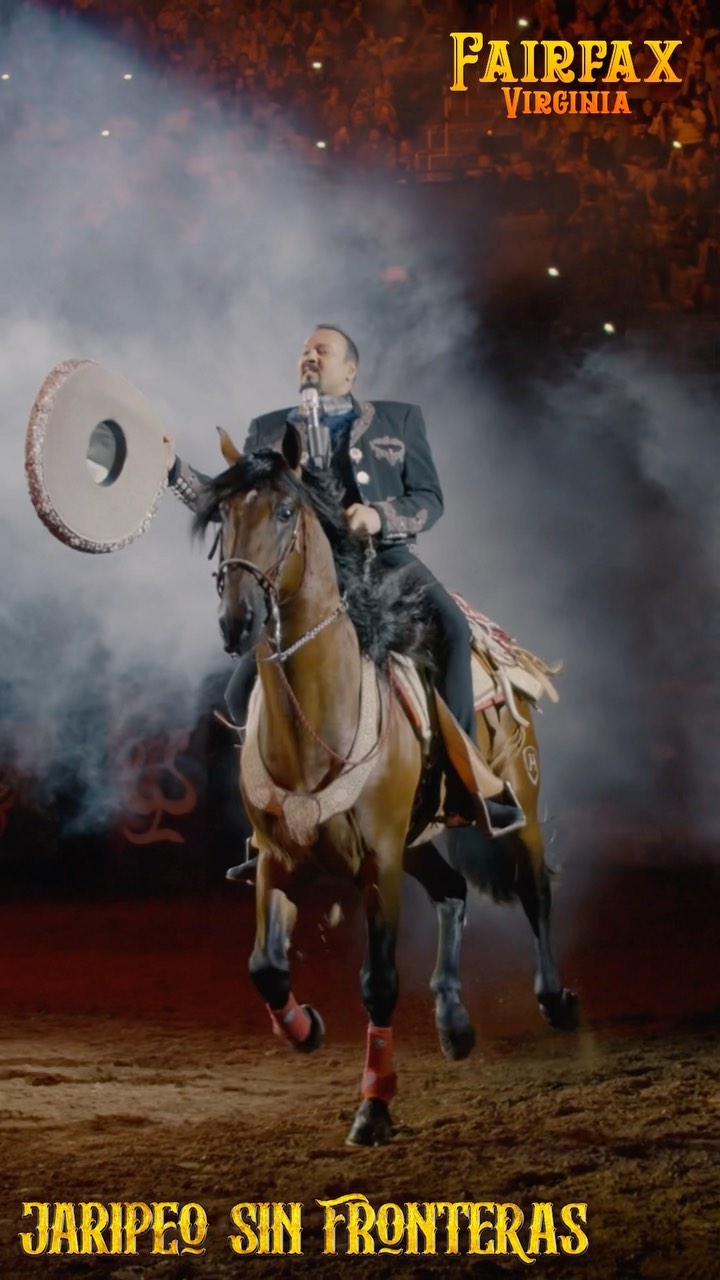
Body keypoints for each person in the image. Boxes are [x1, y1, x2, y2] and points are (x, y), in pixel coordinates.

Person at [166, 325, 523, 876]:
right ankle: (268, 826)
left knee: (453, 630)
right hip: (307, 577)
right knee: (238, 693)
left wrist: (379, 515)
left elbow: (429, 498)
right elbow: (231, 501)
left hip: (385, 562)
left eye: (322, 350)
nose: (310, 355)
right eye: (304, 351)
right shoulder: (267, 429)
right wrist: (173, 471)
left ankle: (466, 782)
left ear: (350, 371)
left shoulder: (399, 420)